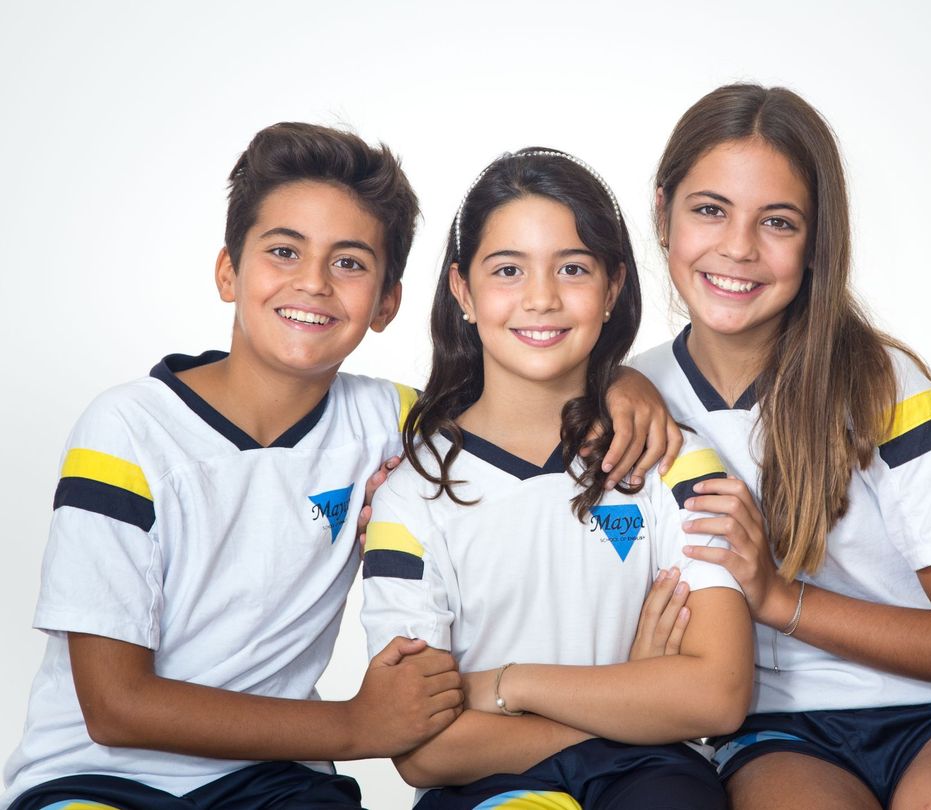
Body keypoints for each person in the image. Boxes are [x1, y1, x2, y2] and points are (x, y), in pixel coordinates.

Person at [3, 123, 683, 810]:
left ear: (387, 302)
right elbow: (115, 706)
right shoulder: (127, 431)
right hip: (97, 776)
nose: (313, 283)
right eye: (284, 251)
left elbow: (524, 398)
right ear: (228, 271)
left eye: (350, 263)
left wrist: (623, 384)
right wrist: (358, 725)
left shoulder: (393, 421)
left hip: (276, 782)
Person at [631, 84, 931, 809]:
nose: (738, 247)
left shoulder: (886, 388)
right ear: (663, 212)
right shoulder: (633, 398)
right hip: (777, 728)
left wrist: (776, 596)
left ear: (817, 241)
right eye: (710, 210)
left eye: (778, 221)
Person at [361, 148, 754, 810]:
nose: (541, 298)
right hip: (485, 785)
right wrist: (632, 695)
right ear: (463, 291)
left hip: (654, 776)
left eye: (572, 268)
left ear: (613, 287)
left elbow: (717, 695)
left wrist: (508, 685)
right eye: (508, 269)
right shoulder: (412, 494)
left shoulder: (672, 459)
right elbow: (425, 749)